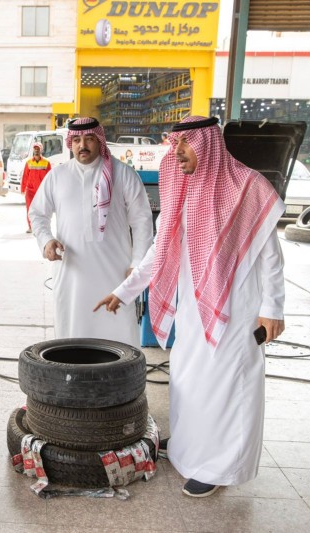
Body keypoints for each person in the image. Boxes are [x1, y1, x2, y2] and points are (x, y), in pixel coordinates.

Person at [95, 116, 286, 497]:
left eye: (185, 142)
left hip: (236, 311)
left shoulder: (247, 187)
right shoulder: (182, 190)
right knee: (188, 381)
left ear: (208, 143)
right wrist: (125, 290)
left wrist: (273, 309)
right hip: (194, 310)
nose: (177, 150)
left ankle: (219, 466)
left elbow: (271, 257)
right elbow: (157, 253)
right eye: (174, 143)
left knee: (226, 388)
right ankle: (186, 448)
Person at [28, 117, 153, 346]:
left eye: (89, 139)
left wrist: (136, 264)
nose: (82, 145)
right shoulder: (57, 175)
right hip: (71, 275)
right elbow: (38, 213)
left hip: (114, 273)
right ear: (70, 143)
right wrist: (46, 240)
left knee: (118, 338)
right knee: (71, 338)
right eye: (76, 140)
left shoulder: (123, 174)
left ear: (100, 141)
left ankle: (117, 380)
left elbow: (142, 221)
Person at [20, 141, 51, 233]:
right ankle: (31, 227)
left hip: (41, 191)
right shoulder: (29, 162)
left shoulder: (46, 162)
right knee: (30, 209)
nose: (36, 150)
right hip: (30, 190)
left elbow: (50, 177)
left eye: (38, 149)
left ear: (41, 150)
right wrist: (23, 188)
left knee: (42, 210)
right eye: (35, 149)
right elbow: (25, 176)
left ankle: (42, 227)